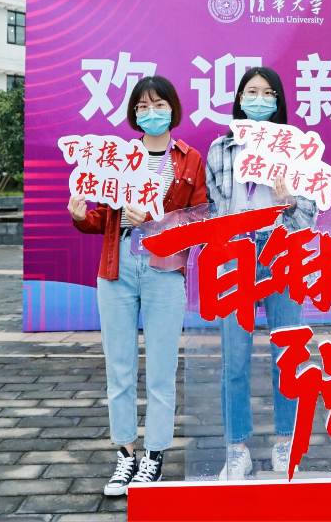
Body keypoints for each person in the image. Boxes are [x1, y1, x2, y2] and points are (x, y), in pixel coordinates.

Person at [68, 75, 208, 495]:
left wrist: (155, 221)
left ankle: (154, 456)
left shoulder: (189, 159)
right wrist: (80, 215)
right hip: (118, 267)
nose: (151, 113)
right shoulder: (119, 157)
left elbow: (200, 218)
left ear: (173, 109)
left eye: (159, 105)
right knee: (120, 366)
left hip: (164, 268)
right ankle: (125, 454)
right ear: (133, 113)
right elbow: (103, 219)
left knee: (162, 369)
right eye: (143, 106)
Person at [206, 66, 317, 479]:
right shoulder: (220, 148)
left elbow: (309, 217)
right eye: (251, 92)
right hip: (236, 252)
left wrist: (290, 202)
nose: (259, 100)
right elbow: (213, 209)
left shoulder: (297, 147)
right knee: (234, 357)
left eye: (268, 93)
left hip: (281, 247)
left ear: (278, 102)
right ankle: (236, 448)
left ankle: (286, 442)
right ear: (239, 99)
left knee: (286, 354)